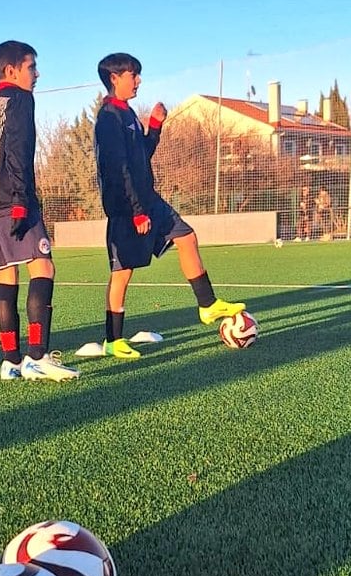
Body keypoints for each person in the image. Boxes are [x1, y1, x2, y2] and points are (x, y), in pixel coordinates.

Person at [94, 52, 245, 360]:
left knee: (186, 236)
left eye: (138, 74)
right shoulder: (109, 117)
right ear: (114, 78)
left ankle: (207, 305)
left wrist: (155, 127)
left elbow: (140, 156)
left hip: (149, 198)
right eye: (132, 75)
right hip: (127, 206)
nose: (138, 80)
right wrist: (136, 210)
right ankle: (113, 339)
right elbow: (117, 167)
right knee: (123, 270)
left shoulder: (128, 113)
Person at [0, 40, 78, 381]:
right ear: (11, 70)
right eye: (32, 67)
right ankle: (38, 355)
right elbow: (19, 151)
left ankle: (10, 361)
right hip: (13, 200)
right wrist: (21, 200)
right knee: (43, 268)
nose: (37, 74)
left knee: (7, 277)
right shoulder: (20, 99)